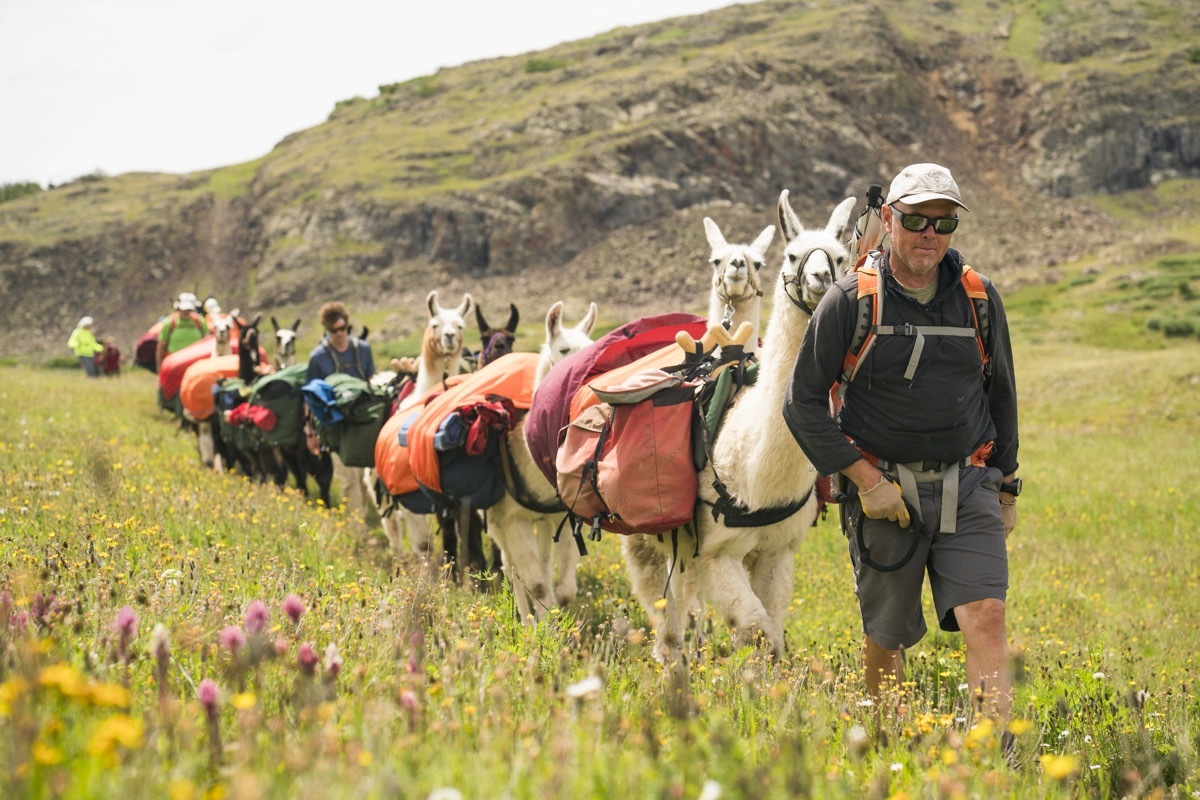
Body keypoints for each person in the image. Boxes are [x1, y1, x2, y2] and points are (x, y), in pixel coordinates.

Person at [783, 163, 1020, 722]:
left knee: (986, 612)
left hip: (970, 482)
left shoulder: (979, 299)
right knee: (886, 632)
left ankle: (996, 748)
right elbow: (802, 403)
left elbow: (1001, 395)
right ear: (888, 218)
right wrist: (867, 483)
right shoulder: (848, 302)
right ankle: (884, 737)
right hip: (884, 488)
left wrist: (1006, 486)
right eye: (915, 219)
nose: (928, 235)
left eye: (943, 223)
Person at [305, 301, 375, 382]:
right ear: (326, 329)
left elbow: (370, 378)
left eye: (342, 328)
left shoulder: (364, 349)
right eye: (334, 330)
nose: (339, 333)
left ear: (347, 325)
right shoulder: (317, 357)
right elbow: (312, 388)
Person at [155, 292, 208, 370]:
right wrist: (160, 370)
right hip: (174, 366)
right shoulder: (169, 322)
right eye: (183, 310)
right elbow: (161, 347)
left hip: (195, 365)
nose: (185, 312)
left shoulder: (200, 322)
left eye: (188, 310)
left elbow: (207, 344)